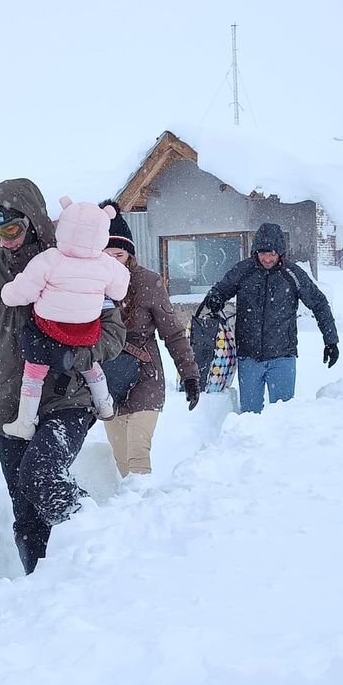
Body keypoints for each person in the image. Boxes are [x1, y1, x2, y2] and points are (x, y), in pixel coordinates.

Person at [0, 179, 126, 574]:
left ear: (33, 221)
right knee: (27, 513)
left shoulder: (75, 262)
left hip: (67, 398)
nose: (4, 241)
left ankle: (101, 545)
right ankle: (41, 594)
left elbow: (115, 334)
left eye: (12, 230)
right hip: (6, 407)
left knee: (41, 474)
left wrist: (73, 356)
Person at [0, 196, 130, 440]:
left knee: (34, 370)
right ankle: (104, 403)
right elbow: (120, 290)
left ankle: (25, 422)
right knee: (90, 364)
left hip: (49, 328)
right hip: (86, 330)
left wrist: (7, 293)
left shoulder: (50, 259)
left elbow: (24, 291)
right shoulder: (106, 264)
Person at [98, 201, 200, 478]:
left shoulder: (148, 282)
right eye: (104, 255)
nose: (111, 262)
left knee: (137, 455)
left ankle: (145, 513)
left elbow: (173, 333)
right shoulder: (90, 285)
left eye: (117, 255)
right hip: (107, 381)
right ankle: (130, 516)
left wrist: (189, 375)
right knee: (122, 462)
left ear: (130, 254)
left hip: (146, 375)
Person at [200, 222, 339, 414]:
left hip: (283, 357)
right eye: (263, 253)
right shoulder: (243, 271)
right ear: (255, 251)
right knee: (249, 417)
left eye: (272, 254)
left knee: (283, 418)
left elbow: (319, 304)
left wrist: (330, 341)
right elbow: (221, 290)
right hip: (248, 357)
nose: (267, 258)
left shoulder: (293, 275)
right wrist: (215, 298)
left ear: (280, 253)